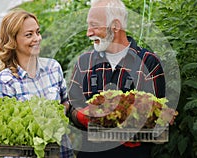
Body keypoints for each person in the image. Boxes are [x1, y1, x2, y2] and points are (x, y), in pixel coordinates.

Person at [67, 0, 172, 158]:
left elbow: (158, 117)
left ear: (115, 25)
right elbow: (72, 107)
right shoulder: (84, 62)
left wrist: (133, 128)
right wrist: (80, 116)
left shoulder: (148, 62)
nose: (88, 33)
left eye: (94, 25)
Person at [0, 9, 74, 158]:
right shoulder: (4, 82)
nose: (37, 38)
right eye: (29, 35)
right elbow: (8, 135)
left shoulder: (53, 68)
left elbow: (65, 101)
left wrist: (59, 114)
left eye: (38, 32)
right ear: (13, 41)